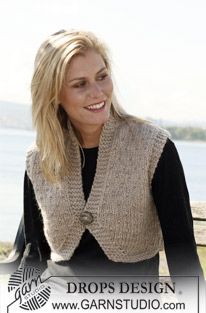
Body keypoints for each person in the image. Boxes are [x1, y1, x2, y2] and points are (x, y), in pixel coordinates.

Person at [22, 29, 204, 285]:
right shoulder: (38, 158)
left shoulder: (152, 147)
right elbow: (34, 254)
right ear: (54, 95)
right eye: (79, 84)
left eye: (102, 77)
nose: (98, 92)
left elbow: (182, 253)